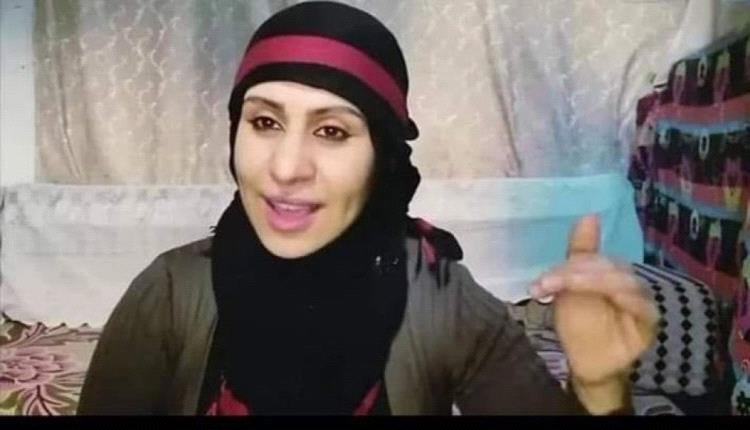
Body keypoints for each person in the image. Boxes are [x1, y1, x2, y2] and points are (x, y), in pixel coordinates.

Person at [77, 1, 657, 415]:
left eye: (332, 131)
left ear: (381, 157)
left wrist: (600, 386)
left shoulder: (442, 301)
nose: (286, 168)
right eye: (265, 122)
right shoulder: (170, 294)